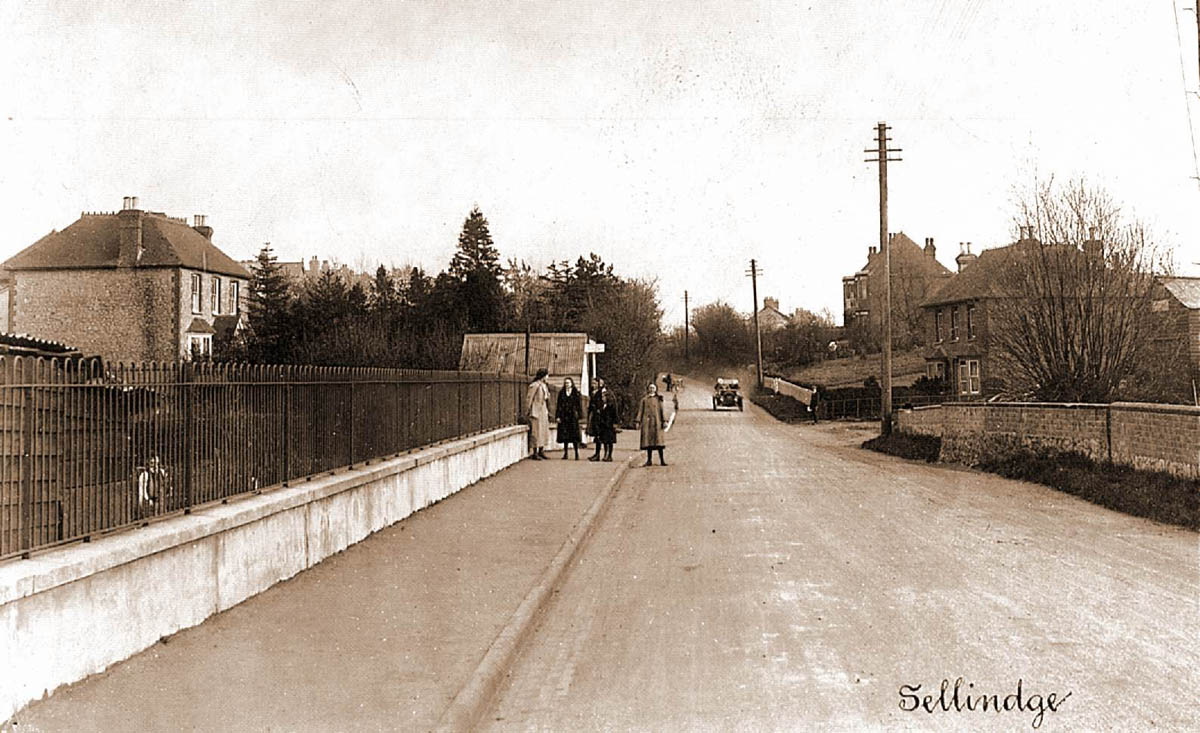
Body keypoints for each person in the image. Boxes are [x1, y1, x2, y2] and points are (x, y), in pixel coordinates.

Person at [636, 382, 667, 467]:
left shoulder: (658, 399)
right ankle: (649, 460)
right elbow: (640, 411)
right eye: (650, 388)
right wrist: (638, 421)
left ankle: (662, 460)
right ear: (648, 389)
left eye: (653, 388)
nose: (652, 389)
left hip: (657, 423)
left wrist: (664, 421)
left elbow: (662, 410)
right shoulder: (644, 400)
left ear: (656, 389)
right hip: (647, 424)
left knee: (659, 443)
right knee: (648, 443)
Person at [526, 368, 551, 460]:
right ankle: (535, 452)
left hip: (543, 410)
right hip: (536, 410)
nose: (548, 377)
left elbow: (546, 397)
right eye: (547, 375)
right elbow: (529, 398)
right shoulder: (535, 385)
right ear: (543, 376)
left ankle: (541, 450)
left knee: (543, 431)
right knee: (536, 431)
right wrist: (527, 410)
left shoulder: (544, 385)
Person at [588, 386, 619, 462]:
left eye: (604, 397)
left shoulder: (611, 406)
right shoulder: (602, 407)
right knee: (605, 441)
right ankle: (605, 455)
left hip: (609, 425)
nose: (602, 398)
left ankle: (609, 455)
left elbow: (615, 415)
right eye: (602, 397)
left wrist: (615, 423)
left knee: (609, 441)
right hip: (603, 425)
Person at [556, 377, 583, 460]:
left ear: (572, 383)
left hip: (573, 417)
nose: (567, 384)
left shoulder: (576, 393)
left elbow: (579, 405)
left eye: (568, 383)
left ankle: (576, 453)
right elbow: (559, 405)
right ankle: (565, 453)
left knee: (574, 435)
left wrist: (579, 415)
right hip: (564, 416)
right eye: (565, 383)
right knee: (565, 436)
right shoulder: (561, 393)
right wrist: (558, 416)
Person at [586, 377, 607, 460]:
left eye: (594, 383)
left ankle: (601, 455)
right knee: (596, 436)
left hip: (600, 417)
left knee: (600, 436)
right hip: (594, 416)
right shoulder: (593, 393)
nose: (593, 385)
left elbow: (602, 404)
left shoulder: (601, 393)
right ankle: (596, 454)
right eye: (592, 383)